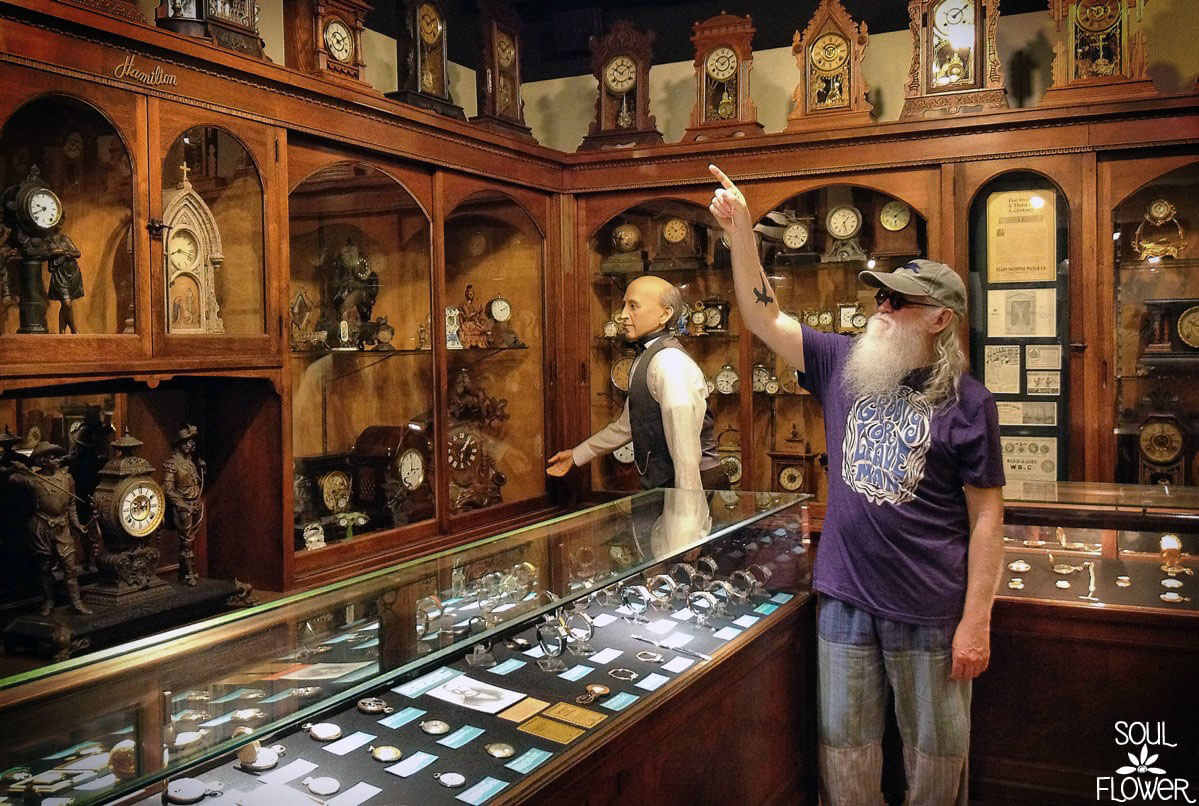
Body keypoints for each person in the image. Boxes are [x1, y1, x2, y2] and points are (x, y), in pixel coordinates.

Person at [709, 164, 1005, 806]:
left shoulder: (969, 402)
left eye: (898, 301)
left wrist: (975, 621)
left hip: (930, 610)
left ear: (940, 320)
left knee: (935, 764)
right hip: (843, 598)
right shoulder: (844, 363)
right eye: (879, 296)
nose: (881, 308)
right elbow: (767, 320)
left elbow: (986, 520)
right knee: (844, 755)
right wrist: (740, 236)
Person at [546, 274, 726, 491]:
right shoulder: (648, 357)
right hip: (666, 486)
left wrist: (686, 516)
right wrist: (576, 455)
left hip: (692, 487)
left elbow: (685, 452)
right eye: (624, 306)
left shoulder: (670, 363)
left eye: (633, 306)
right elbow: (628, 425)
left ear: (665, 314)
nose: (623, 315)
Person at [9, 442, 93, 616]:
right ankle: (48, 601)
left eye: (57, 456)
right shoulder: (34, 479)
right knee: (44, 568)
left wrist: (77, 525)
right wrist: (22, 469)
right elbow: (12, 478)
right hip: (41, 527)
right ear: (42, 461)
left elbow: (71, 506)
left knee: (70, 567)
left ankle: (76, 602)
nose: (57, 460)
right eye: (52, 457)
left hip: (62, 527)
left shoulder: (66, 478)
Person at [163, 424, 205, 586]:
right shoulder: (172, 464)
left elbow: (195, 481)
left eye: (191, 442)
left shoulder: (190, 463)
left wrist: (202, 469)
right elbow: (168, 489)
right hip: (183, 505)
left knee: (190, 539)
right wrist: (182, 504)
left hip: (195, 502)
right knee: (186, 540)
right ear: (179, 445)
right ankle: (188, 573)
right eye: (187, 442)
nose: (190, 445)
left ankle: (185, 570)